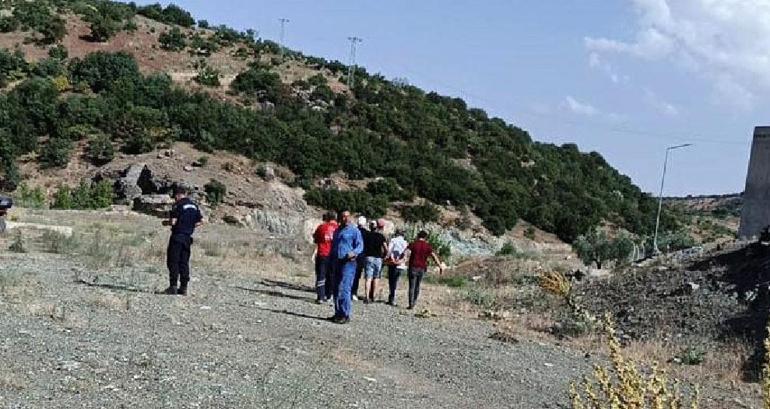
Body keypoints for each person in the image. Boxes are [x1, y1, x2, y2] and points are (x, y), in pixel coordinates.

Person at [162, 185, 203, 296]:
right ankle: (184, 287)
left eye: (175, 196)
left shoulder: (178, 205)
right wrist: (189, 226)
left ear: (178, 195)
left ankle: (173, 286)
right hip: (187, 238)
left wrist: (165, 223)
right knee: (184, 262)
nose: (174, 199)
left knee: (173, 261)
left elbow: (173, 222)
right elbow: (199, 222)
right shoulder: (194, 206)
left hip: (177, 236)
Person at [330, 210, 364, 324]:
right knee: (335, 288)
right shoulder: (337, 231)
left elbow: (360, 246)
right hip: (336, 261)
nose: (345, 218)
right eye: (343, 216)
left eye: (347, 216)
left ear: (350, 217)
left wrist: (353, 253)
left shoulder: (354, 231)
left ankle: (345, 314)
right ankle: (337, 312)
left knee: (344, 288)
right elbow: (334, 245)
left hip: (348, 263)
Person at [406, 230, 443, 309]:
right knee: (417, 286)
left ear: (418, 236)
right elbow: (433, 256)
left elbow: (406, 253)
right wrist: (439, 266)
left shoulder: (414, 244)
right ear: (425, 237)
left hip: (413, 267)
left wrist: (401, 260)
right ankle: (415, 301)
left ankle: (410, 303)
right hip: (422, 268)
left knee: (411, 286)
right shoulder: (427, 246)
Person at [312, 212, 338, 303]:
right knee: (331, 275)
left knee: (321, 275)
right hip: (334, 255)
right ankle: (329, 295)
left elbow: (315, 238)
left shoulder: (321, 227)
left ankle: (320, 296)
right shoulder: (337, 228)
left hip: (322, 253)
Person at [362, 219, 387, 303]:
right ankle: (374, 296)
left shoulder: (366, 236)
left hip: (368, 257)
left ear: (370, 227)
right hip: (378, 258)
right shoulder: (380, 236)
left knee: (368, 278)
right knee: (376, 277)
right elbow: (385, 247)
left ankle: (366, 295)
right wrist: (384, 255)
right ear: (376, 227)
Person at [384, 228, 408, 306]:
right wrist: (401, 261)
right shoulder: (405, 242)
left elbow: (389, 251)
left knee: (391, 281)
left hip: (392, 263)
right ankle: (393, 297)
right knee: (396, 281)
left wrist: (389, 258)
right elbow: (406, 254)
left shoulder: (393, 240)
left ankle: (391, 297)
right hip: (400, 264)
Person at [351, 215, 368, 301]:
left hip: (352, 254)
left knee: (349, 274)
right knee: (357, 275)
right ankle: (354, 292)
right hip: (361, 256)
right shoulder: (366, 233)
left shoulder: (353, 231)